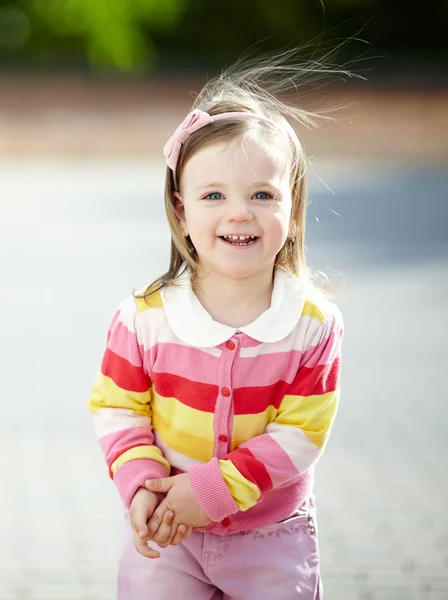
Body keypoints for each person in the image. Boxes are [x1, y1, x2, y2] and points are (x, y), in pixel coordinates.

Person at [88, 51, 345, 599]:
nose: (239, 212)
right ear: (181, 211)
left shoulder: (312, 324)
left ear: (293, 212)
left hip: (272, 534)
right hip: (168, 534)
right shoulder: (144, 318)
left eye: (262, 195)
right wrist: (141, 488)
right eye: (213, 196)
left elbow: (300, 435)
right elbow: (118, 410)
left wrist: (204, 493)